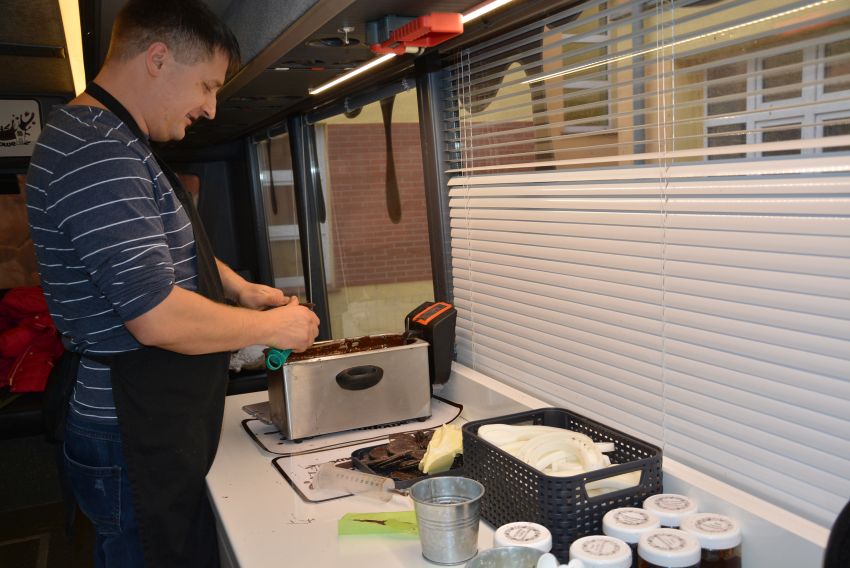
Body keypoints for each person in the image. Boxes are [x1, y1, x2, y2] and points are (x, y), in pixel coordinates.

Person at [25, 1, 320, 566]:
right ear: (158, 58)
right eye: (207, 85)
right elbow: (156, 316)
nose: (210, 108)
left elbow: (161, 247)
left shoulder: (115, 138)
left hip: (147, 420)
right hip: (129, 429)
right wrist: (271, 326)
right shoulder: (97, 151)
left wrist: (238, 288)